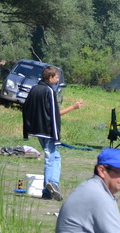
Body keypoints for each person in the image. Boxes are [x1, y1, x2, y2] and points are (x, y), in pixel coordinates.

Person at [23, 66, 82, 201]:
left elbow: (26, 109)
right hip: (48, 131)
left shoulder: (34, 88)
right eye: (56, 77)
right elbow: (55, 115)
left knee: (56, 157)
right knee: (50, 158)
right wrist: (73, 107)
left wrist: (28, 128)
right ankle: (48, 189)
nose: (58, 80)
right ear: (50, 78)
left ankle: (53, 184)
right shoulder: (49, 91)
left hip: (37, 130)